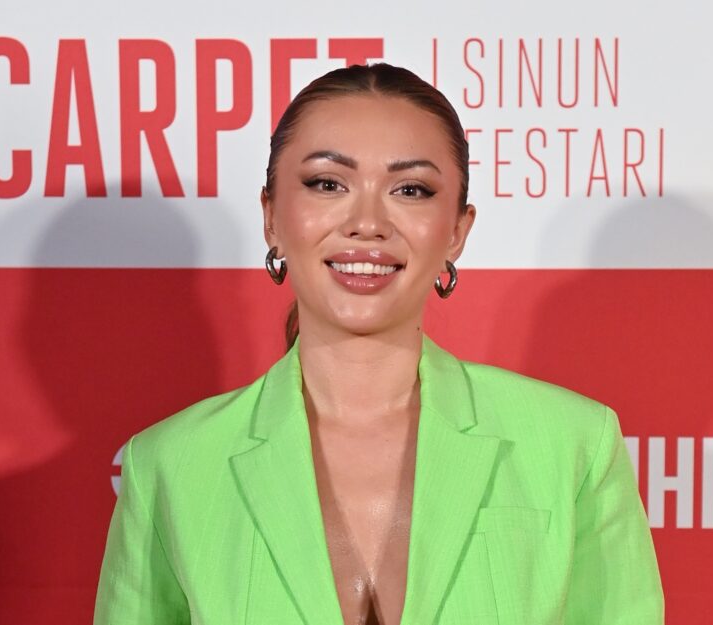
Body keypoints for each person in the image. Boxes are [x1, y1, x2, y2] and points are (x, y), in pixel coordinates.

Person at [93, 62, 664, 625]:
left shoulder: (573, 445)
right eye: (328, 184)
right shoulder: (171, 465)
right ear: (271, 217)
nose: (367, 222)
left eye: (410, 189)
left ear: (457, 231)